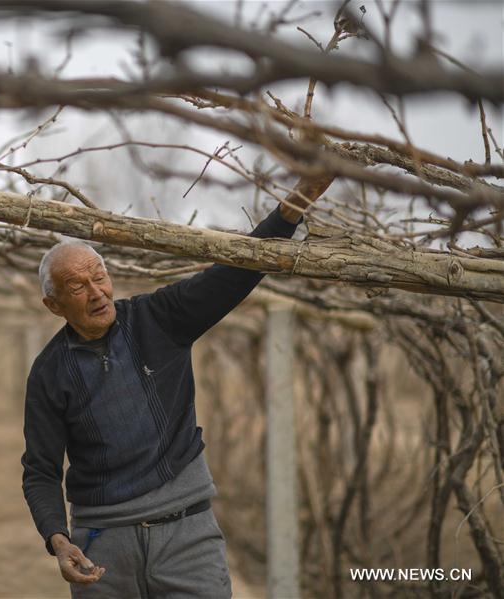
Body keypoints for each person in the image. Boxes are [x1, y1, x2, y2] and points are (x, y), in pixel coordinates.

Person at [21, 176, 334, 598]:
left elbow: (232, 275)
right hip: (101, 543)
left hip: (186, 532)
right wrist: (57, 538)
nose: (97, 293)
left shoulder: (157, 320)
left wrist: (293, 206)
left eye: (100, 276)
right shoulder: (49, 372)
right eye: (78, 287)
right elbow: (40, 469)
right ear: (53, 305)